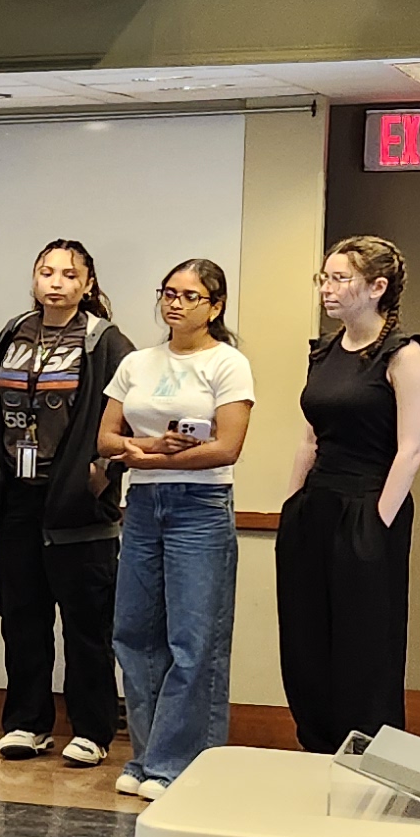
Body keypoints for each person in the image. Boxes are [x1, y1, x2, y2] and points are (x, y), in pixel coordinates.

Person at [0, 238, 133, 768]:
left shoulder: (104, 341)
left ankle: (92, 730)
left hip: (77, 506)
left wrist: (99, 476)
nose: (56, 282)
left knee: (87, 624)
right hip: (18, 498)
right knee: (21, 615)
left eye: (68, 274)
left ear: (87, 284)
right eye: (46, 272)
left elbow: (127, 418)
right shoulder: (12, 333)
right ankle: (27, 723)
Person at [100, 258, 256, 799]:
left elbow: (227, 446)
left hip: (200, 504)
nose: (176, 303)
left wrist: (149, 458)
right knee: (135, 634)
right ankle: (146, 758)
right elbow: (106, 438)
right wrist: (144, 449)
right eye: (169, 293)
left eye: (191, 296)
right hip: (144, 505)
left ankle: (179, 765)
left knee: (193, 640)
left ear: (215, 307)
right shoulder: (137, 363)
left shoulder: (227, 363)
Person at [277, 234, 420, 756]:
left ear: (376, 287)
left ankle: (368, 752)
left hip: (368, 505)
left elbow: (411, 449)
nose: (327, 288)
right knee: (306, 639)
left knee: (365, 642)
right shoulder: (322, 352)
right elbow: (309, 440)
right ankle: (316, 746)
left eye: (340, 278)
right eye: (324, 278)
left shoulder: (402, 354)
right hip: (315, 507)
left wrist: (378, 520)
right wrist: (292, 506)